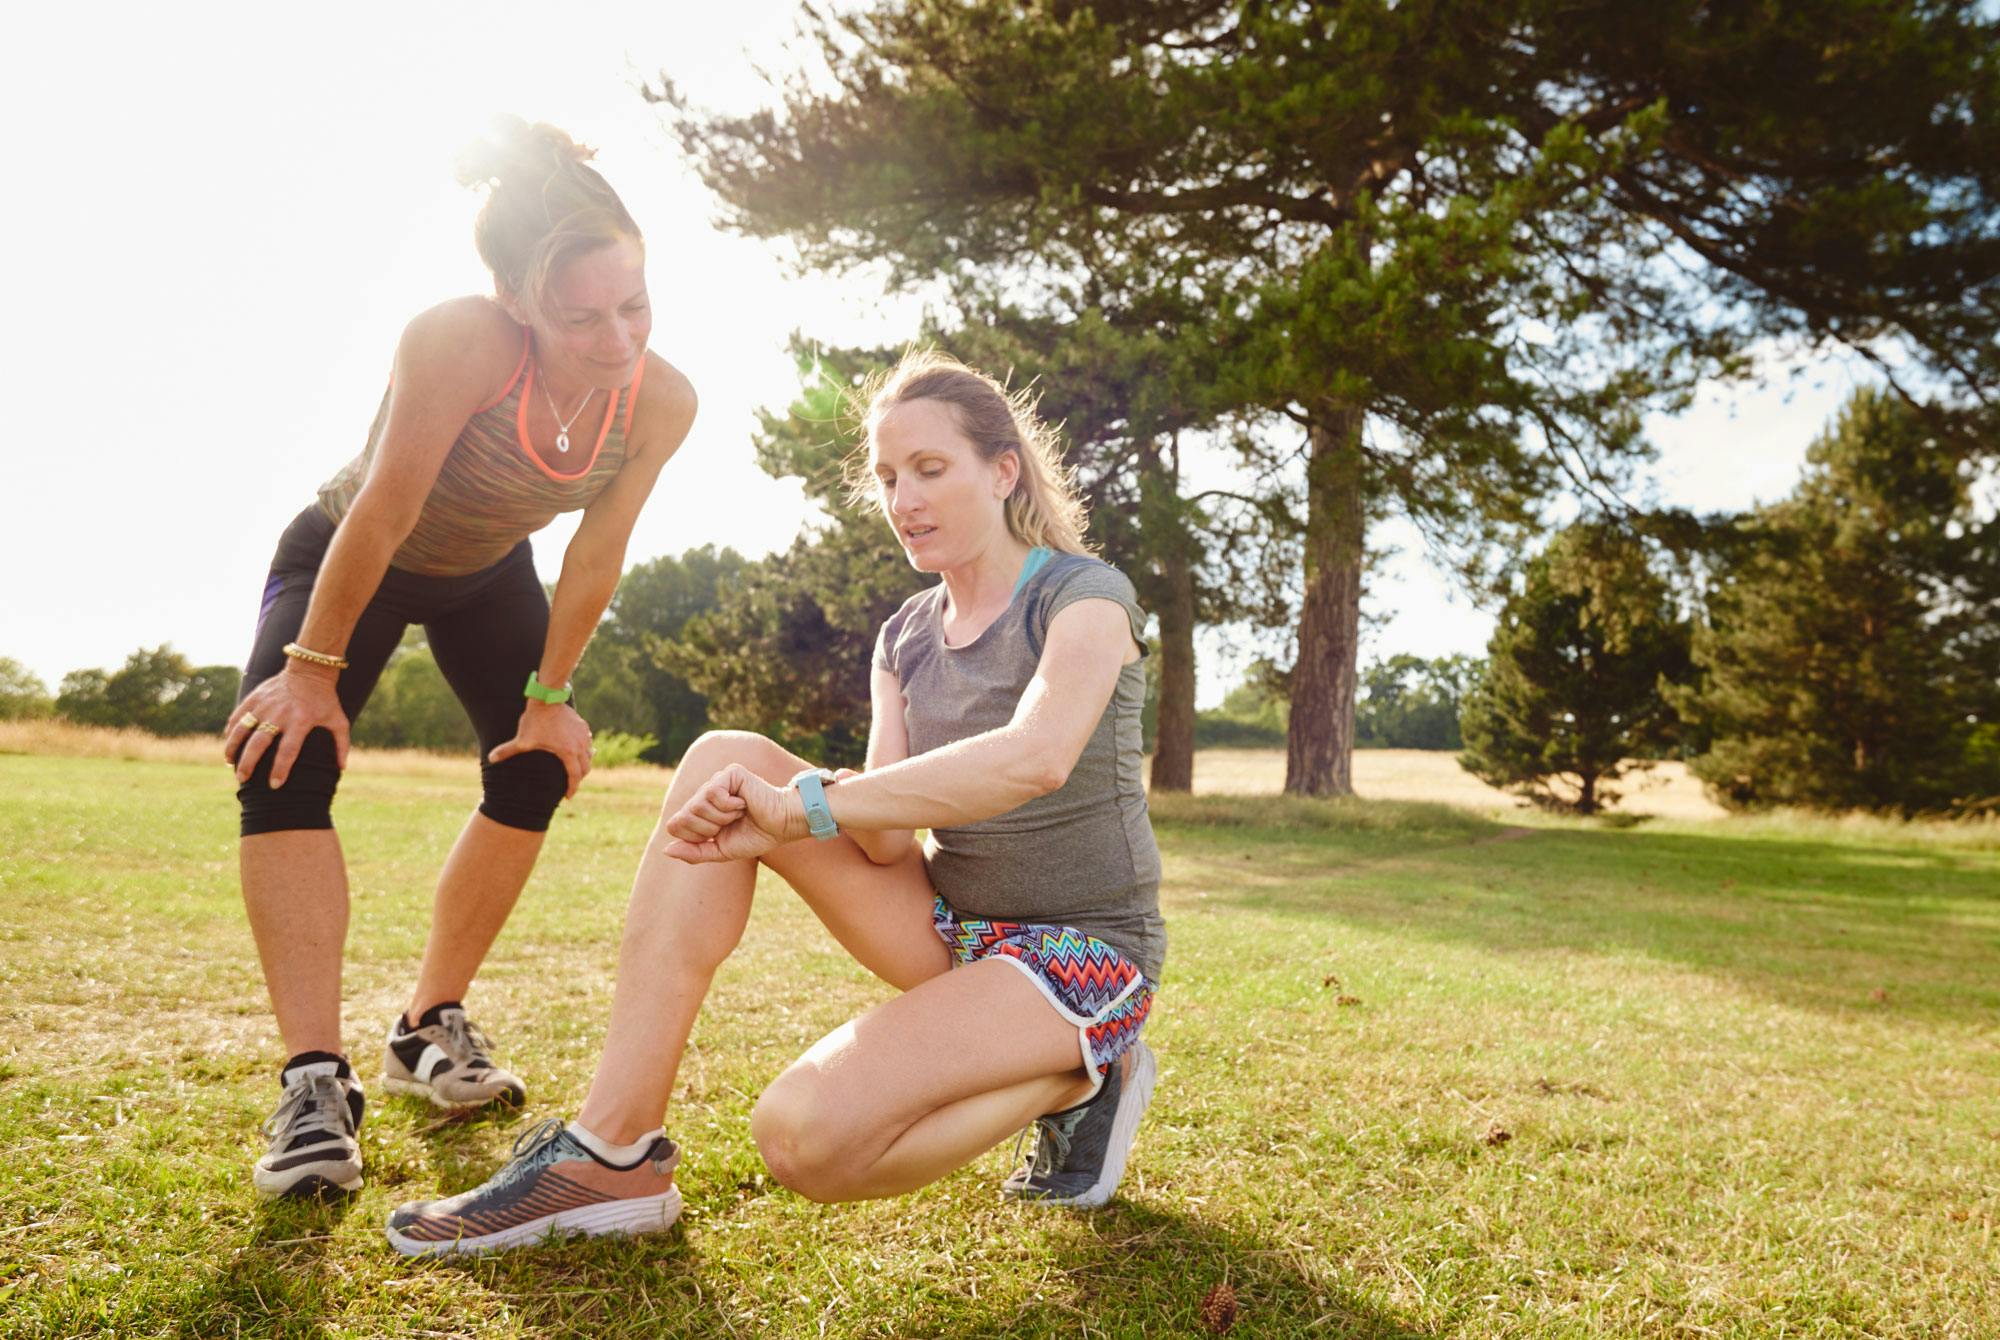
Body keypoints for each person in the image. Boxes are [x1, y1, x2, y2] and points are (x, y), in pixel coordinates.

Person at [385, 350, 1164, 1256]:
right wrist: (795, 805)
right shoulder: (905, 636)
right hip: (953, 930)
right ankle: (613, 1151)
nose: (904, 499)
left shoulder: (1084, 597)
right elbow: (885, 846)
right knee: (722, 759)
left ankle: (1085, 1076)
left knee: (801, 1138)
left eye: (929, 468)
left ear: (1003, 471)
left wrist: (807, 811)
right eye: (887, 478)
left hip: (1084, 954)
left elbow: (1036, 759)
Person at [223, 118, 698, 1199]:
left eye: (634, 305)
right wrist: (309, 671)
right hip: (351, 556)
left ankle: (425, 1026)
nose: (617, 338)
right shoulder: (460, 341)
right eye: (581, 316)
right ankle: (313, 1081)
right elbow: (386, 509)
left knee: (533, 767)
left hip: (486, 574)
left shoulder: (662, 400)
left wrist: (550, 698)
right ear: (514, 298)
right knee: (283, 756)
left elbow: (596, 552)